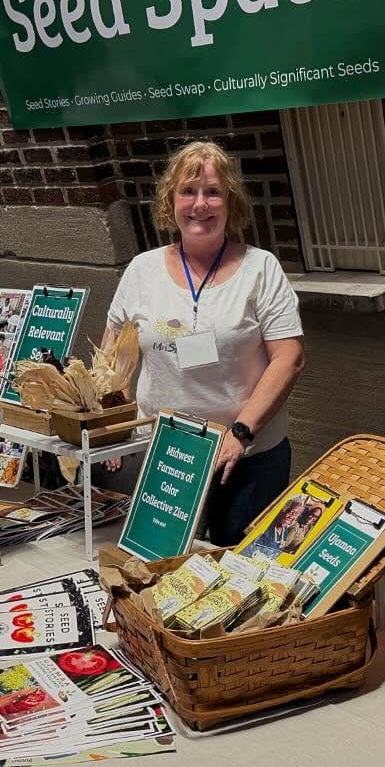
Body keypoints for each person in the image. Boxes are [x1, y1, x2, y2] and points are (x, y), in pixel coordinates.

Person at [99, 140, 305, 546]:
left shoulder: (260, 269)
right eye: (188, 191)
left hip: (247, 455)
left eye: (213, 192)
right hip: (167, 454)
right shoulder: (142, 270)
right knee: (162, 559)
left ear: (230, 201)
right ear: (170, 201)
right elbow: (113, 357)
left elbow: (290, 358)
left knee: (241, 567)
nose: (200, 204)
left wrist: (241, 433)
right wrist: (113, 427)